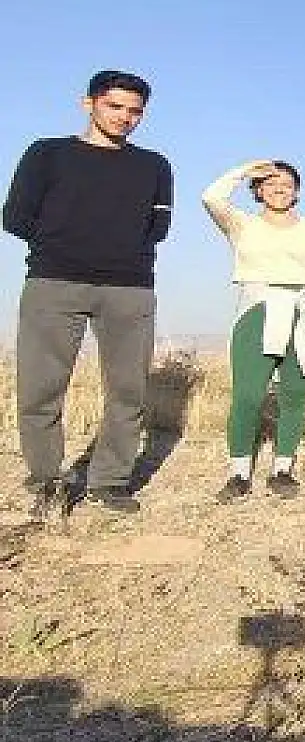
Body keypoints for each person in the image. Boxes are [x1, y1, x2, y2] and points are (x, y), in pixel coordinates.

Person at [5, 70, 172, 518]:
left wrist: (121, 251)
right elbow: (16, 216)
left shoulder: (154, 165)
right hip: (53, 283)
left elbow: (159, 227)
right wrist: (65, 246)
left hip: (130, 289)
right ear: (89, 104)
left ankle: (109, 482)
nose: (125, 117)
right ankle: (45, 480)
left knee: (128, 391)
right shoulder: (47, 154)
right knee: (41, 389)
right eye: (114, 106)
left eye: (135, 111)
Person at [203, 160, 305, 501]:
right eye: (270, 183)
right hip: (257, 310)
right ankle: (239, 473)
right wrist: (243, 171)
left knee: (295, 395)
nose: (279, 189)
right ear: (258, 190)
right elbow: (211, 198)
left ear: (297, 191)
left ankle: (283, 469)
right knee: (247, 395)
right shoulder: (241, 223)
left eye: (287, 183)